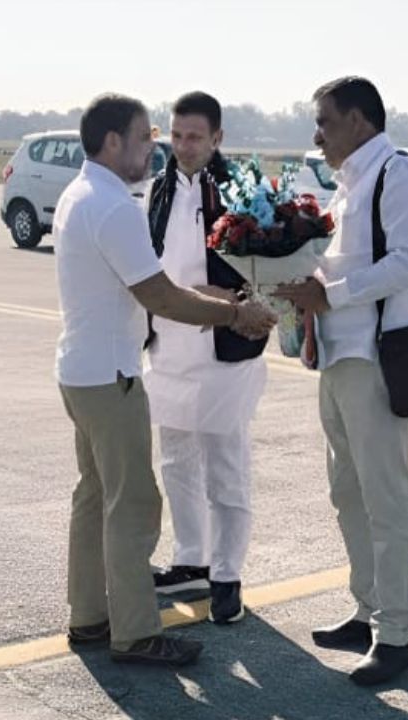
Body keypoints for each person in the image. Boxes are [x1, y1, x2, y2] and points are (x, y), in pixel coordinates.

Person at [54, 93, 275, 668]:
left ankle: (88, 618)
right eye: (147, 137)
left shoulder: (79, 194)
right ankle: (134, 633)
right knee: (132, 507)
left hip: (82, 371)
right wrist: (232, 312)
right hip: (116, 374)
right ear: (112, 144)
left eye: (181, 136)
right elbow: (160, 294)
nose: (160, 147)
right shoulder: (118, 205)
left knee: (95, 497)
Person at [274, 76, 408, 686]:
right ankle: (368, 610)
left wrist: (328, 293)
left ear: (361, 122)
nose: (316, 133)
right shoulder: (347, 186)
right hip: (339, 358)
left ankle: (395, 634)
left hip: (379, 362)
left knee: (386, 499)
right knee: (347, 494)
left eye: (325, 121)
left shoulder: (402, 175)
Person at [143, 91, 267, 625]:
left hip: (225, 345)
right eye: (175, 135)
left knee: (226, 465)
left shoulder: (243, 192)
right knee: (174, 461)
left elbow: (265, 268)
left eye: (194, 136)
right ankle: (190, 558)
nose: (183, 146)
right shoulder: (158, 188)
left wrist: (237, 302)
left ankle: (227, 574)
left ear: (217, 138)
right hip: (169, 345)